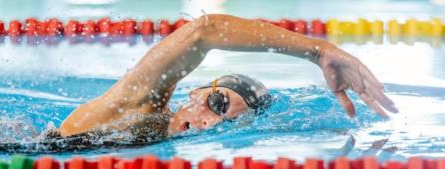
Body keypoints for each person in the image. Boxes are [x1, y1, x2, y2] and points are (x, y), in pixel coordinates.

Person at [58, 14, 398, 142]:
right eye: (216, 102)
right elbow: (204, 30)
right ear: (195, 91)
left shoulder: (161, 138)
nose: (207, 122)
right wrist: (318, 51)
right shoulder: (139, 103)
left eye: (223, 120)